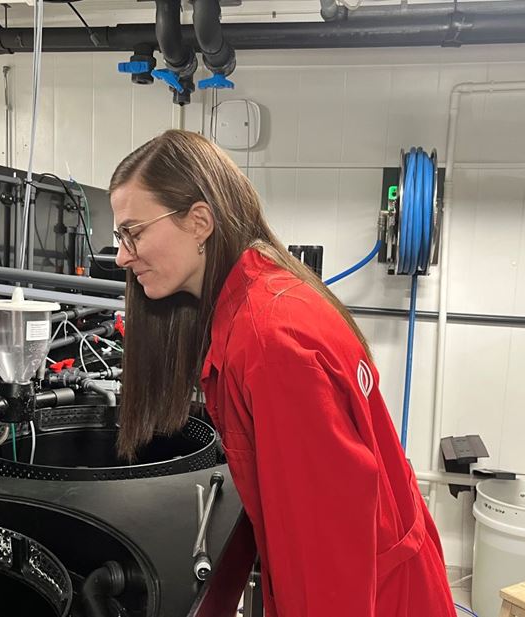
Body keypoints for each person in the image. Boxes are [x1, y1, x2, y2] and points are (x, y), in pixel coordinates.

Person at [109, 129, 454, 617]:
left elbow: (327, 566)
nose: (122, 255)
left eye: (133, 232)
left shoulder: (271, 342)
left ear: (199, 221)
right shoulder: (261, 299)